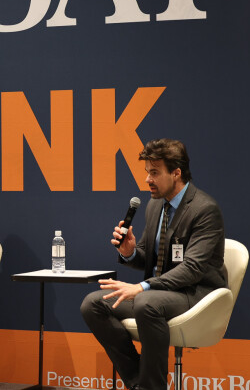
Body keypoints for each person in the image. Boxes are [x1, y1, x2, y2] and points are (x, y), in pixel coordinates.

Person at [81, 139, 227, 390]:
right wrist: (129, 252)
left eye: (155, 172)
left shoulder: (204, 209)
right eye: (147, 172)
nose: (148, 179)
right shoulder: (155, 204)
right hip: (160, 292)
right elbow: (149, 257)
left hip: (196, 292)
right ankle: (140, 383)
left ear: (176, 173)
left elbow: (192, 269)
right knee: (93, 304)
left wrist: (142, 287)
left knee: (146, 302)